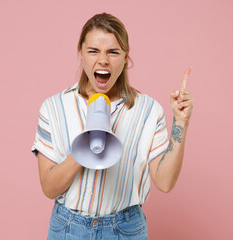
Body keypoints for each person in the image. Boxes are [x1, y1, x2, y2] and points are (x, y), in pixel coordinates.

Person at [31, 12, 193, 240]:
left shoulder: (148, 110)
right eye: (93, 51)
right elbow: (49, 188)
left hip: (126, 230)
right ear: (81, 53)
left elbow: (165, 182)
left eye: (113, 52)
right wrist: (85, 146)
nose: (103, 60)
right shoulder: (54, 107)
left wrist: (180, 123)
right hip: (68, 229)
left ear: (126, 58)